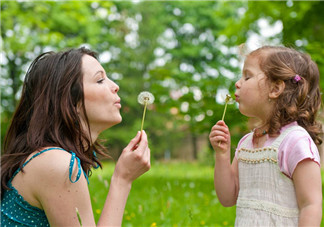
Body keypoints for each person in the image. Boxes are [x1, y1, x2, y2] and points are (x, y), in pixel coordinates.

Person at [1, 47, 151, 226]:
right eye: (100, 80)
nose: (115, 86)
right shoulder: (58, 164)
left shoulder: (48, 158)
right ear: (70, 102)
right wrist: (122, 179)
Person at [209, 45, 322, 226]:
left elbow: (311, 204)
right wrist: (222, 155)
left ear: (275, 89)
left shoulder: (294, 141)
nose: (238, 83)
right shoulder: (246, 143)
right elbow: (228, 197)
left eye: (247, 76)